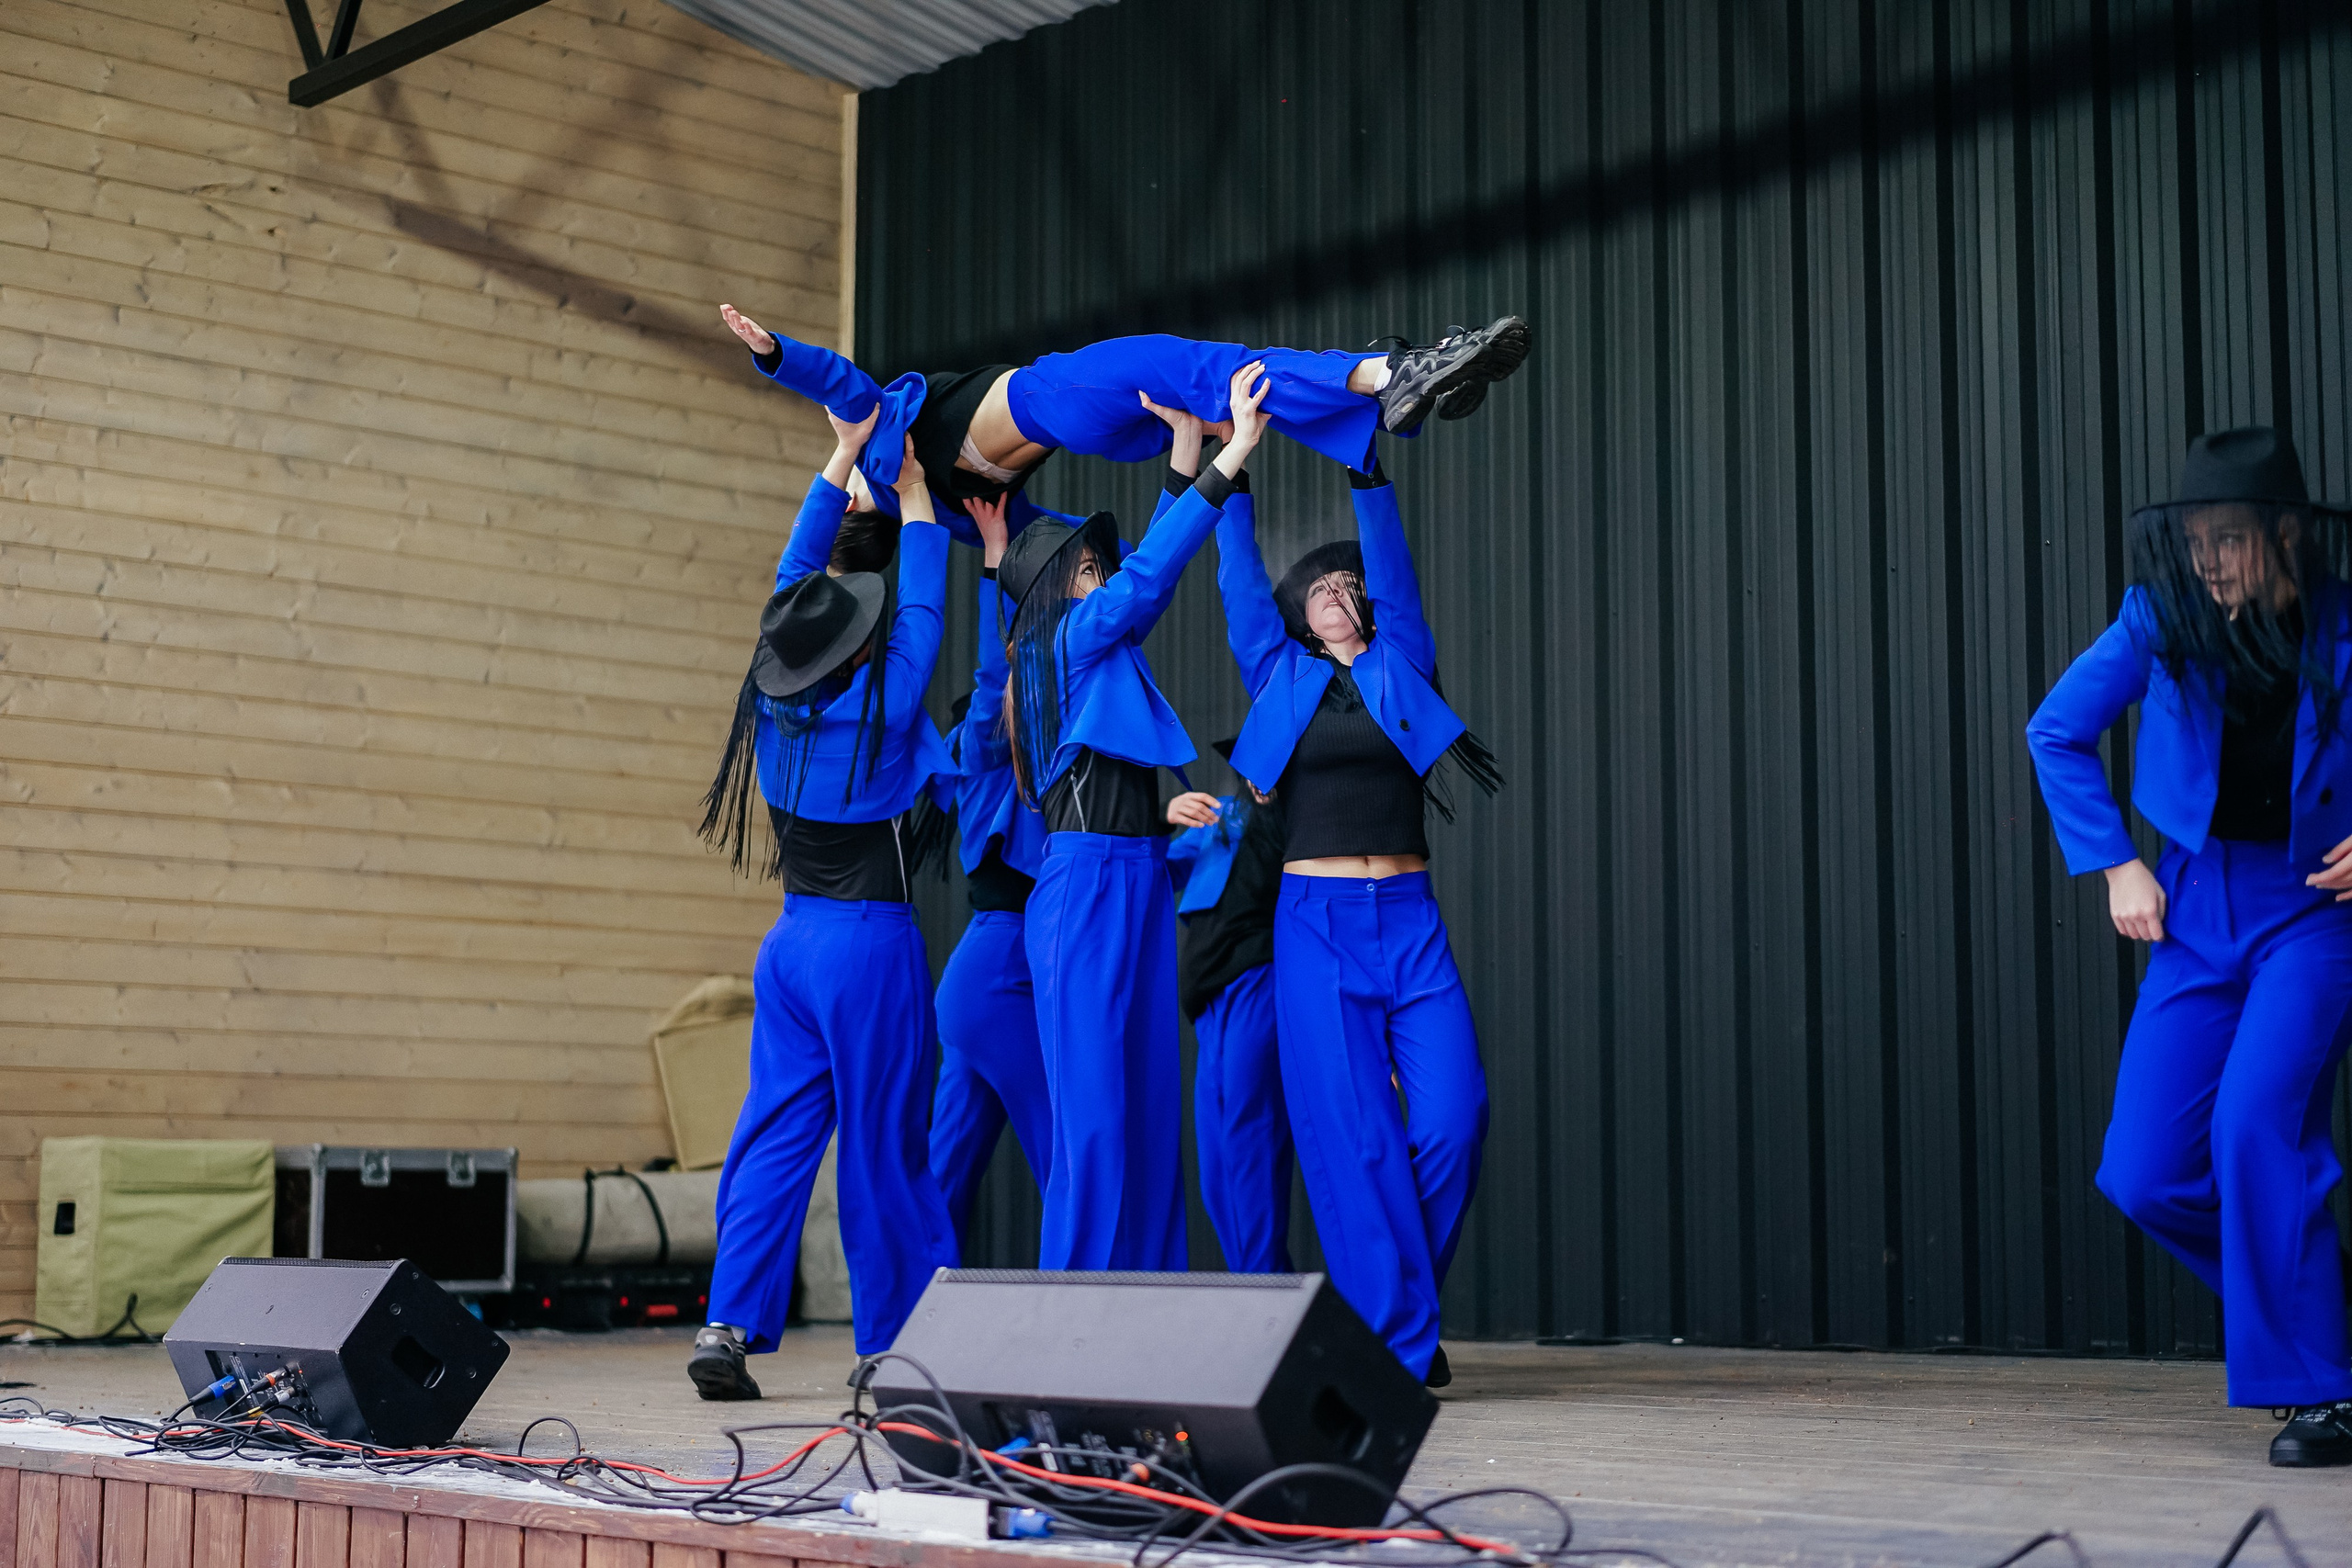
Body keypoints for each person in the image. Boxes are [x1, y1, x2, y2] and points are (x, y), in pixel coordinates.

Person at [2025, 425, 2352, 1468]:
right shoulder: (2156, 620)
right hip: (2193, 907)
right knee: (2144, 1172)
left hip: (2313, 913)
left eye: (2229, 539)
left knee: (2255, 1124)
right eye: (2195, 540)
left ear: (2287, 535)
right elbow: (2055, 731)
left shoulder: (2347, 626)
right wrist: (2117, 862)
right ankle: (2324, 1323)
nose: (2207, 561)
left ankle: (2323, 1386)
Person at [688, 409, 959, 1401]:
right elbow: (922, 611)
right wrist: (919, 497)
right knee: (885, 1141)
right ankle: (893, 1343)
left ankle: (726, 1325)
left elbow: (787, 583)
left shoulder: (771, 700)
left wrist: (840, 460)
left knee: (773, 1134)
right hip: (866, 945)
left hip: (789, 944)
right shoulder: (884, 706)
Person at [1215, 447, 1500, 1387]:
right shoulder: (1279, 678)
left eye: (1350, 582)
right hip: (1316, 923)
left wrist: (1367, 470)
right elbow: (1239, 579)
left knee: (1454, 1118)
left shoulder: (1403, 666)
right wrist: (1231, 469)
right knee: (1353, 1137)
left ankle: (1388, 1299)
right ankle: (1396, 1343)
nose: (1336, 590)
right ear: (1299, 615)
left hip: (1409, 919)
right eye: (1320, 586)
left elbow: (1395, 566)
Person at [995, 363, 1271, 1271]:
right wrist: (1229, 459)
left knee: (1148, 1102)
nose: (1102, 572)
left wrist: (1186, 452)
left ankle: (1150, 1303)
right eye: (1088, 566)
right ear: (1059, 588)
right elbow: (1147, 581)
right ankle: (1073, 1310)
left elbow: (1142, 578)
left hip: (1135, 873)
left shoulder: (1089, 643)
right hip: (1082, 882)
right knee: (1097, 1118)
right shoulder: (1060, 644)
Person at [716, 303, 1529, 545]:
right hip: (1061, 393)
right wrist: (777, 353)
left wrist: (1177, 481)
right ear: (858, 504)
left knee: (1239, 394)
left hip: (1111, 430)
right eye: (840, 488)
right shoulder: (882, 446)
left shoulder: (946, 505)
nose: (839, 473)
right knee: (1215, 365)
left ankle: (1384, 390)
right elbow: (840, 379)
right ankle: (1391, 371)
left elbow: (1062, 540)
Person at [924, 495, 1054, 1247]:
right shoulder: (979, 760)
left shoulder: (1026, 769)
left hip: (987, 968)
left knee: (947, 1168)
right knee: (1063, 1150)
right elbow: (989, 670)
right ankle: (1087, 1310)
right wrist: (994, 564)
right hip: (999, 965)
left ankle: (908, 1323)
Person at [1165, 763, 1293, 1274]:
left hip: (1257, 985)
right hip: (1208, 1006)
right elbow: (1157, 862)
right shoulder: (1222, 817)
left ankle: (1266, 1295)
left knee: (1250, 1142)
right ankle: (1261, 1292)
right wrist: (1161, 816)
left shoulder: (1298, 818)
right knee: (1217, 1162)